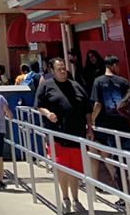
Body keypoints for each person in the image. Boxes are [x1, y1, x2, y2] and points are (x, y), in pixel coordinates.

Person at [35, 56, 93, 212]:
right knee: (61, 167)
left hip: (77, 134)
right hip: (57, 136)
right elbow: (39, 106)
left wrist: (90, 128)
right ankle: (65, 197)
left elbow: (88, 109)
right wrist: (48, 114)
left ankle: (76, 199)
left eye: (64, 68)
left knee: (74, 169)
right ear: (52, 70)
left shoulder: (76, 86)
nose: (63, 71)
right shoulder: (46, 86)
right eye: (59, 69)